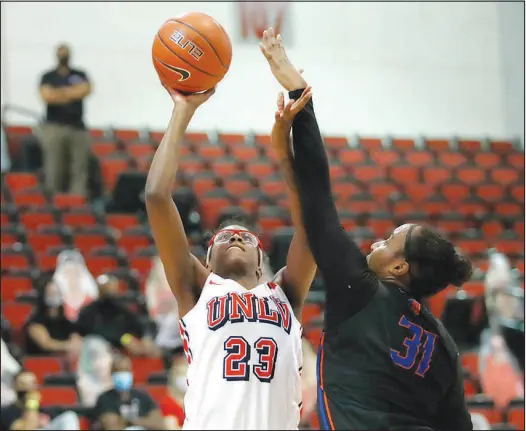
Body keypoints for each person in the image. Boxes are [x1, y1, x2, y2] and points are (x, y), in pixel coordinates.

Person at [259, 27, 474, 430]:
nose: (377, 241)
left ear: (398, 268)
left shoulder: (361, 290)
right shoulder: (443, 345)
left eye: (389, 240)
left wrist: (299, 94)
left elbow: (319, 199)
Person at [145, 77, 316, 428]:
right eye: (223, 238)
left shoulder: (285, 293)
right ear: (206, 262)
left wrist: (284, 155)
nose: (236, 238)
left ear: (260, 264)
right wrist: (182, 110)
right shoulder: (198, 290)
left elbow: (315, 223)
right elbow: (156, 196)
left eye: (246, 237)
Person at [38, 43, 92, 195]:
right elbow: (47, 96)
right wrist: (71, 93)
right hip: (54, 127)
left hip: (78, 128)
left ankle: (77, 203)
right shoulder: (48, 76)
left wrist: (58, 93)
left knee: (79, 168)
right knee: (54, 168)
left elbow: (85, 90)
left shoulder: (80, 74)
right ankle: (53, 203)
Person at [76, 274, 159, 357]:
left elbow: (142, 324)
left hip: (121, 353)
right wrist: (125, 339)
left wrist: (146, 338)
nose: (109, 289)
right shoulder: (88, 311)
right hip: (96, 353)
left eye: (112, 286)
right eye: (106, 286)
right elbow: (98, 332)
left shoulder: (122, 309)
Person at [93, 354, 164, 431]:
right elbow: (111, 426)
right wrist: (145, 421)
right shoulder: (105, 398)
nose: (122, 374)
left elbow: (158, 423)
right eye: (118, 371)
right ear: (111, 374)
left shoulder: (143, 396)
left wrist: (129, 421)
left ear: (132, 373)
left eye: (126, 370)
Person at [0, 370, 80, 431]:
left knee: (69, 416)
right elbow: (28, 429)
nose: (28, 387)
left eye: (31, 383)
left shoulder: (45, 410)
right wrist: (32, 402)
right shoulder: (7, 412)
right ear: (14, 386)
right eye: (23, 384)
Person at [23, 274, 82, 356]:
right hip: (41, 362)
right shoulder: (35, 323)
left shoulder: (66, 322)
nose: (55, 296)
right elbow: (46, 344)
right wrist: (68, 345)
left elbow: (76, 339)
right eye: (51, 293)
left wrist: (75, 342)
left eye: (57, 293)